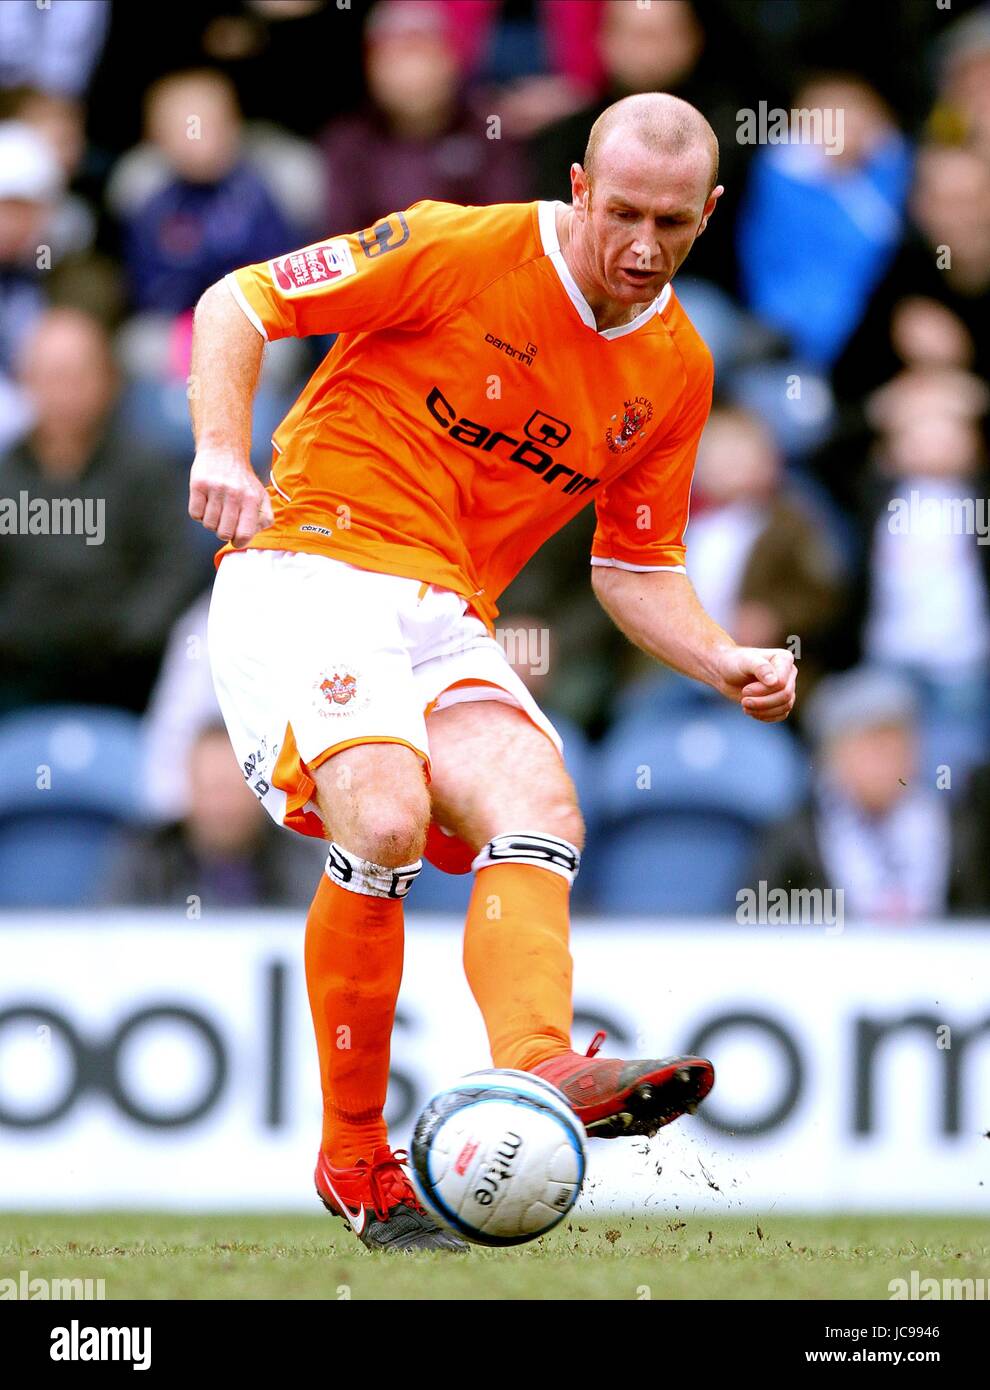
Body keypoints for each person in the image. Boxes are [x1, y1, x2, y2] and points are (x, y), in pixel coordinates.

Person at [187, 92, 798, 1254]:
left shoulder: (675, 366)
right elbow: (240, 300)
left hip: (447, 611)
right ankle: (356, 1157)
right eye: (622, 213)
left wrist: (720, 656)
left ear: (711, 213)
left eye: (672, 223)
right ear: (579, 188)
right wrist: (223, 446)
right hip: (312, 562)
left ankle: (538, 1062)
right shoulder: (457, 247)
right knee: (385, 816)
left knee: (540, 804)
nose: (642, 245)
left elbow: (634, 566)